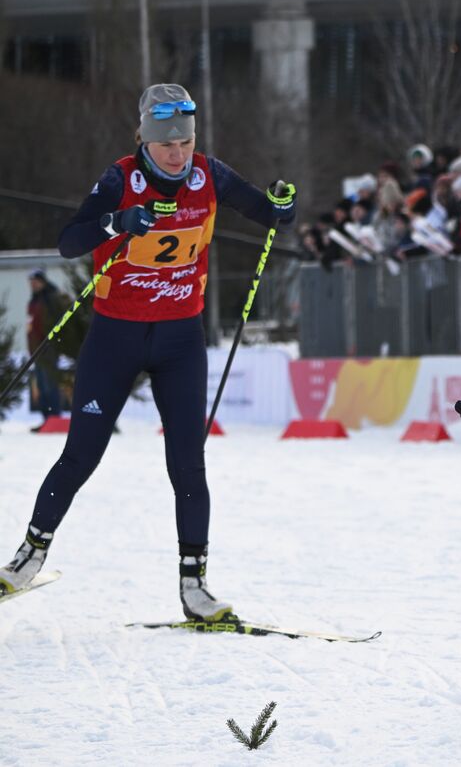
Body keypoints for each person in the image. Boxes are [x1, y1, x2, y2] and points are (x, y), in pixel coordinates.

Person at [0, 84, 296, 619]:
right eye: (167, 145)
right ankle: (28, 556)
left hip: (181, 341)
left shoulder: (211, 173)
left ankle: (194, 586)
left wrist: (281, 205)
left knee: (188, 464)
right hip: (115, 337)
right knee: (81, 455)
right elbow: (70, 240)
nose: (178, 154)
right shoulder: (120, 178)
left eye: (185, 141)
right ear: (144, 139)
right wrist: (116, 221)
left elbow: (266, 211)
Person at [25, 269, 67, 430]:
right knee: (41, 386)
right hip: (36, 351)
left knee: (50, 385)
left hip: (48, 349)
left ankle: (54, 418)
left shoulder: (51, 298)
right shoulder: (34, 300)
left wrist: (54, 344)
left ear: (43, 282)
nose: (33, 285)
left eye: (35, 282)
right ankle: (46, 420)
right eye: (31, 283)